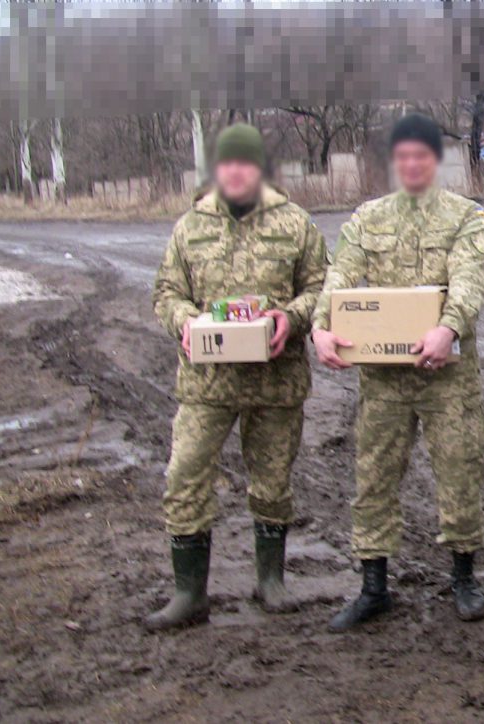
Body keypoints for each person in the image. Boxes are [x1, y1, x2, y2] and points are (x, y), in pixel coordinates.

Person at [312, 113, 484, 630]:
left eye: (422, 156)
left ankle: (463, 577)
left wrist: (450, 327)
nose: (412, 165)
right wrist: (321, 325)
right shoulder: (369, 217)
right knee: (373, 477)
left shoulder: (466, 216)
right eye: (403, 157)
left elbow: (469, 279)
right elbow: (341, 272)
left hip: (447, 376)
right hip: (384, 379)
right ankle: (373, 586)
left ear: (435, 160)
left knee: (460, 472)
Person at [148, 123, 328, 630]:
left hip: (277, 380)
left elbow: (322, 289)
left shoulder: (295, 223)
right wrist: (184, 322)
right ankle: (190, 593)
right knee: (185, 476)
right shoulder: (191, 226)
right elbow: (166, 292)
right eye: (227, 164)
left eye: (245, 163)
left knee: (272, 481)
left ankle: (270, 581)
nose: (236, 172)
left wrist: (288, 319)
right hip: (207, 384)